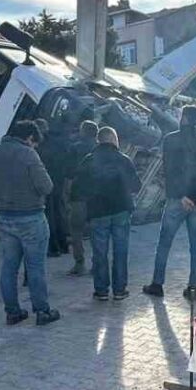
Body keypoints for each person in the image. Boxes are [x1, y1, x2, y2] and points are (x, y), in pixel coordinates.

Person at [0, 120, 61, 326]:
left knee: (9, 266)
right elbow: (46, 186)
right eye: (34, 143)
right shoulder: (28, 154)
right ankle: (42, 311)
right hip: (31, 216)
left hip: (4, 216)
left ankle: (12, 312)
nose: (34, 146)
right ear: (29, 138)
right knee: (35, 266)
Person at [143, 106, 196, 302]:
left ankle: (157, 284)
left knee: (165, 243)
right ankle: (193, 288)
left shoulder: (170, 140)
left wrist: (182, 194)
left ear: (183, 118)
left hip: (176, 199)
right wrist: (195, 197)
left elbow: (170, 170)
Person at [76, 127, 140, 301]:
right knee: (120, 251)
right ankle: (119, 290)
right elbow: (136, 185)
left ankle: (101, 290)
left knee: (99, 252)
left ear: (99, 140)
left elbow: (78, 188)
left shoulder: (88, 161)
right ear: (113, 139)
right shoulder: (123, 160)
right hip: (121, 211)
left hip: (97, 212)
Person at [65, 120, 99, 276]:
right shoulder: (100, 149)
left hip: (78, 195)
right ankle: (97, 263)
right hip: (97, 197)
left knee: (76, 230)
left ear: (83, 131)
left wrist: (67, 193)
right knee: (97, 232)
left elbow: (69, 174)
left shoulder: (75, 148)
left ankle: (79, 263)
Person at [38, 119, 71, 257]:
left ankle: (52, 247)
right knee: (59, 212)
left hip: (48, 182)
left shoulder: (41, 146)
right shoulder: (60, 142)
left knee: (49, 215)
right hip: (59, 181)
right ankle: (63, 245)